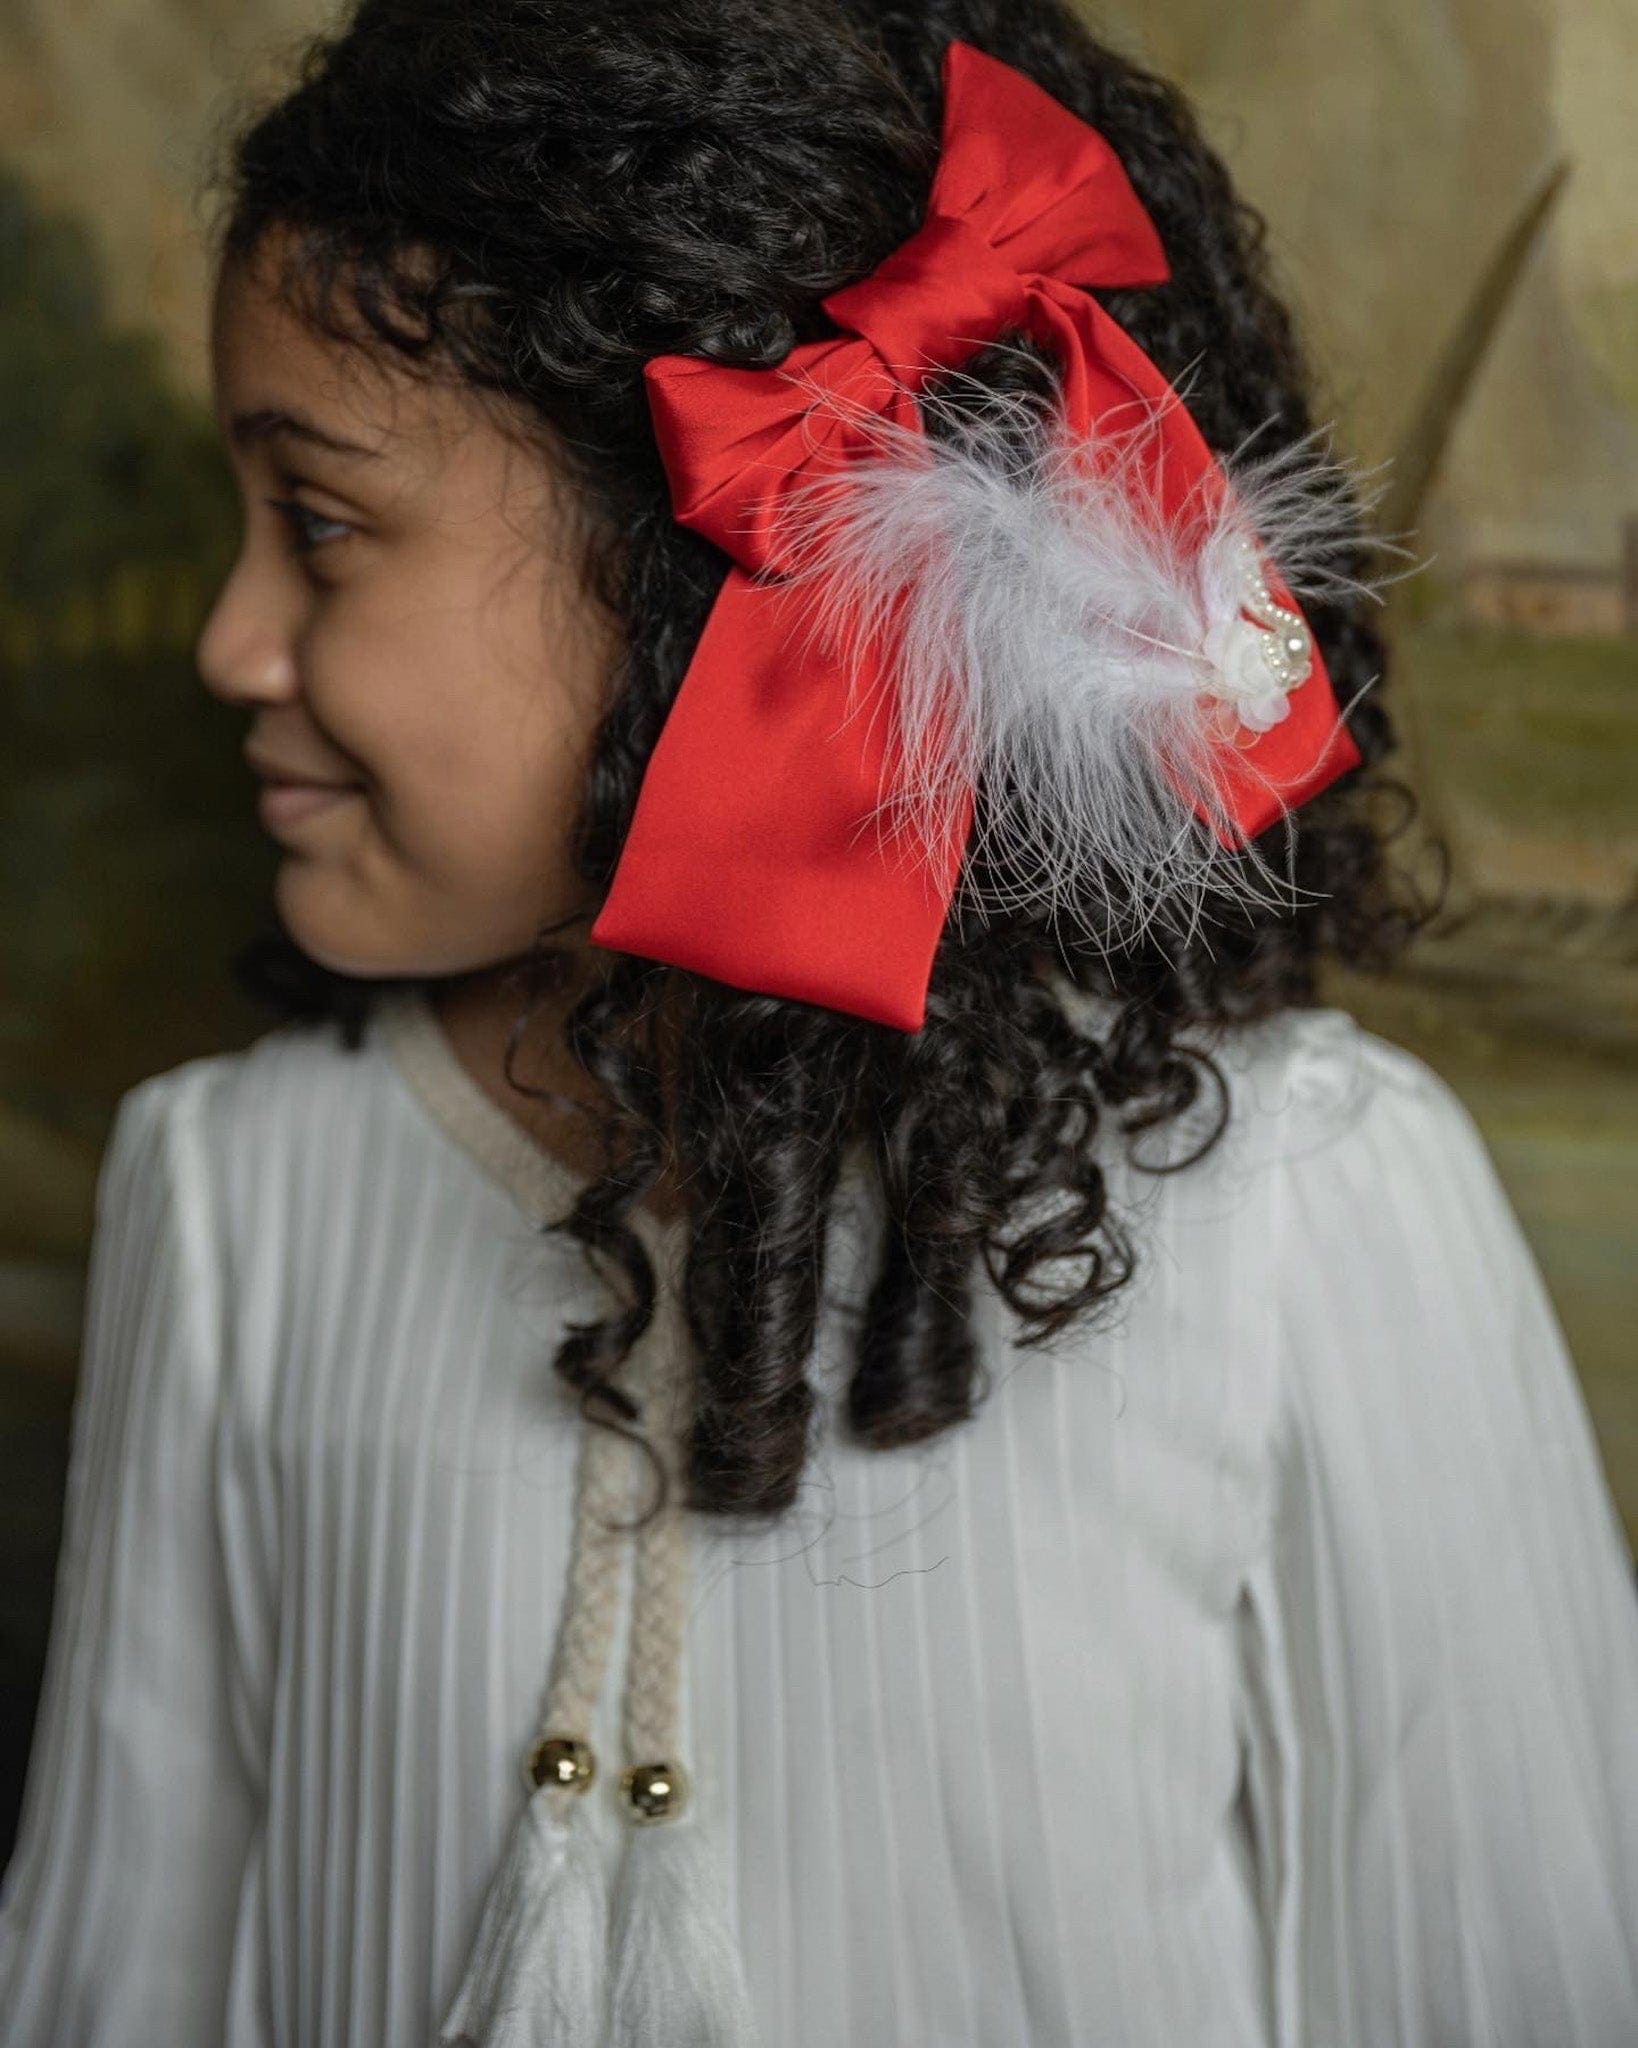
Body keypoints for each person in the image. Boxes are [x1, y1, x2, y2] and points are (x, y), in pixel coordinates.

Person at [3, 1, 1636, 2042]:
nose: (228, 640)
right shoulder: (235, 1192)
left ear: (705, 564)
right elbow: (110, 1978)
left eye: (319, 524)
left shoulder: (1309, 1208)